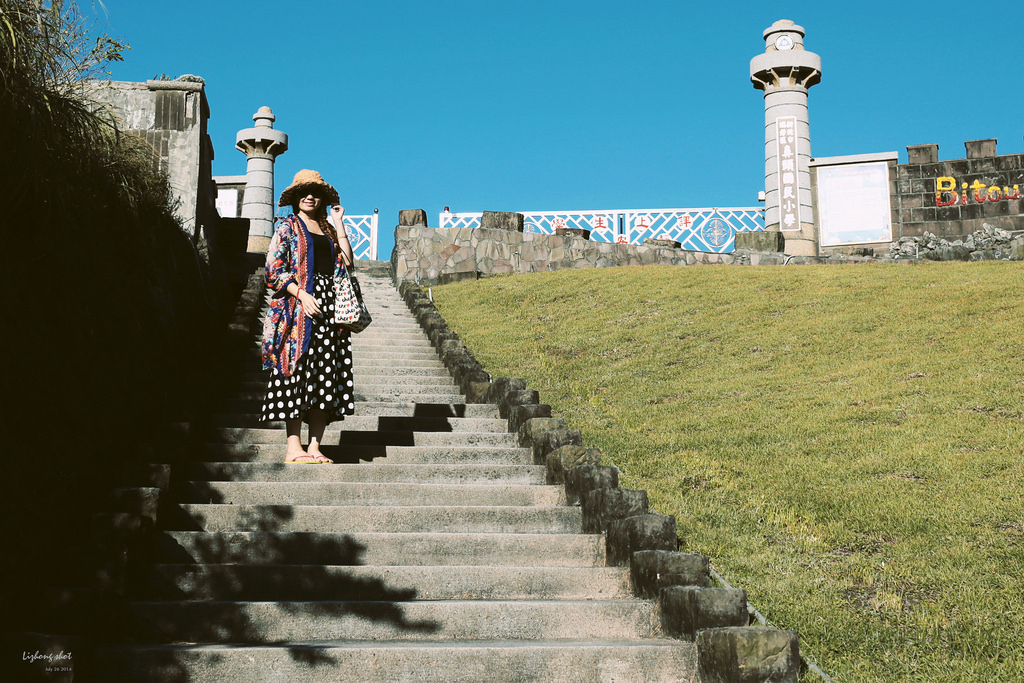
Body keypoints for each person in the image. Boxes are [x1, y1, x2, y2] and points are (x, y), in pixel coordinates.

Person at [260, 170, 356, 463]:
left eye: (315, 192)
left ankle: (315, 446)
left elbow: (348, 263)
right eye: (304, 191)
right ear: (296, 198)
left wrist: (339, 224)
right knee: (295, 372)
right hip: (298, 308)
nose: (310, 196)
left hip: (330, 310)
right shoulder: (287, 227)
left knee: (326, 374)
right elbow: (273, 270)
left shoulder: (328, 229)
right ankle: (293, 447)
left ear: (323, 198)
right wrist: (302, 294)